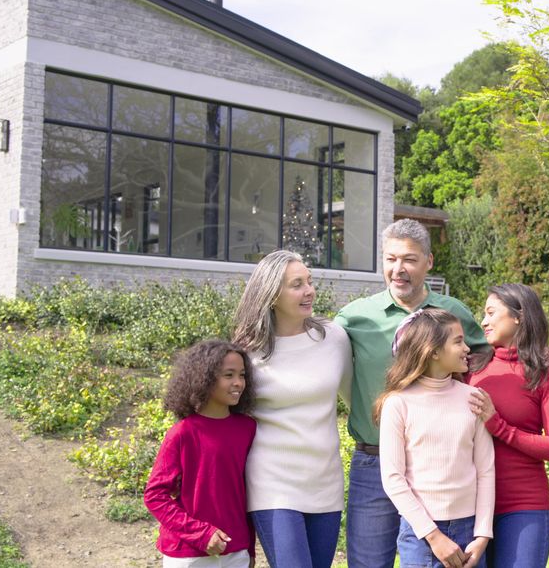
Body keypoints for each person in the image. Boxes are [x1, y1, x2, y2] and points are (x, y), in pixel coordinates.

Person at [337, 219, 489, 567]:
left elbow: (489, 355)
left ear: (429, 262)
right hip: (374, 462)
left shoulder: (453, 314)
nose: (397, 269)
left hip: (437, 467)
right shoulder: (355, 317)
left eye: (408, 259)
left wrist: (545, 356)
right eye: (390, 259)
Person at [231, 250, 352, 568]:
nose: (309, 290)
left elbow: (356, 401)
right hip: (272, 483)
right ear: (272, 295)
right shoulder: (246, 351)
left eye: (309, 281)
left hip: (325, 480)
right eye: (297, 284)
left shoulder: (334, 338)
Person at [377, 308, 495, 568]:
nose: (466, 348)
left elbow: (485, 470)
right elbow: (393, 479)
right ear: (433, 351)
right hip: (421, 536)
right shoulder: (398, 404)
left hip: (469, 532)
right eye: (457, 341)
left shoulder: (473, 398)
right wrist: (433, 536)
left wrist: (482, 534)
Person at [467, 284, 549, 568]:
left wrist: (499, 426)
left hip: (523, 507)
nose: (484, 321)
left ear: (519, 317)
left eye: (491, 313)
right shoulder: (470, 369)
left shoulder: (548, 376)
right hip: (469, 507)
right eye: (483, 314)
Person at [144, 339, 258, 568]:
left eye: (242, 375)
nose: (238, 383)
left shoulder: (248, 429)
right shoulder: (182, 433)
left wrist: (249, 548)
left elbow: (249, 492)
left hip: (236, 551)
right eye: (229, 375)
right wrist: (201, 534)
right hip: (188, 554)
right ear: (204, 379)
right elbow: (155, 495)